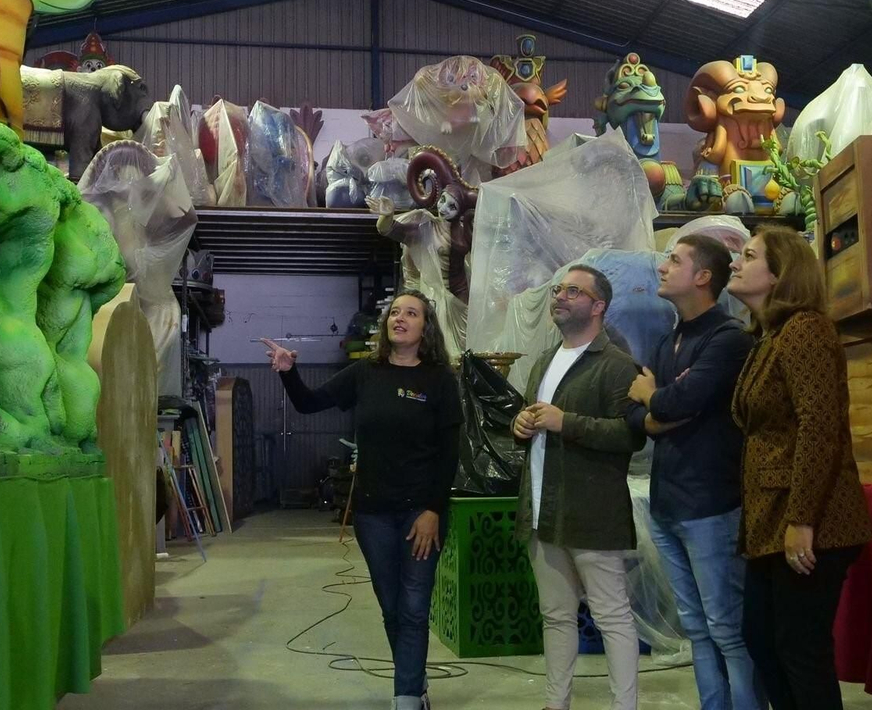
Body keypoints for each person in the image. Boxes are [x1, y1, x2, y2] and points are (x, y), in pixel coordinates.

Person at [262, 290, 461, 710]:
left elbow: (449, 454)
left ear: (426, 327)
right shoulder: (366, 373)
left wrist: (433, 510)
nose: (399, 318)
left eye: (411, 313)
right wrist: (288, 372)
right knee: (392, 608)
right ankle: (414, 677)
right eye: (395, 312)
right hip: (373, 514)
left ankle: (406, 698)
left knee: (414, 608)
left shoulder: (440, 379)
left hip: (420, 512)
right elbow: (309, 403)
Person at [726, 227, 872, 710]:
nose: (735, 263)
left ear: (779, 274)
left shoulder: (805, 329)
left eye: (749, 256)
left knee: (799, 649)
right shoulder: (768, 336)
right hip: (772, 517)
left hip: (814, 519)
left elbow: (819, 426)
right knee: (763, 638)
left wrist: (802, 519)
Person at [625, 235, 757, 710]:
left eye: (674, 260)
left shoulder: (728, 339)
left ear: (702, 277)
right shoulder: (669, 341)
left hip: (711, 506)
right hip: (668, 505)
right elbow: (635, 411)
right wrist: (657, 407)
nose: (663, 267)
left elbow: (677, 399)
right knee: (697, 627)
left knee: (727, 627)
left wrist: (657, 399)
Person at [510, 264, 646, 710]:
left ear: (598, 305)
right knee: (555, 616)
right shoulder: (544, 361)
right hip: (542, 511)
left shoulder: (617, 365)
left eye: (573, 291)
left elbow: (630, 436)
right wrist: (521, 425)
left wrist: (565, 422)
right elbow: (537, 422)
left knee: (611, 615)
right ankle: (556, 703)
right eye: (558, 290)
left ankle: (624, 706)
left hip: (592, 512)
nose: (560, 297)